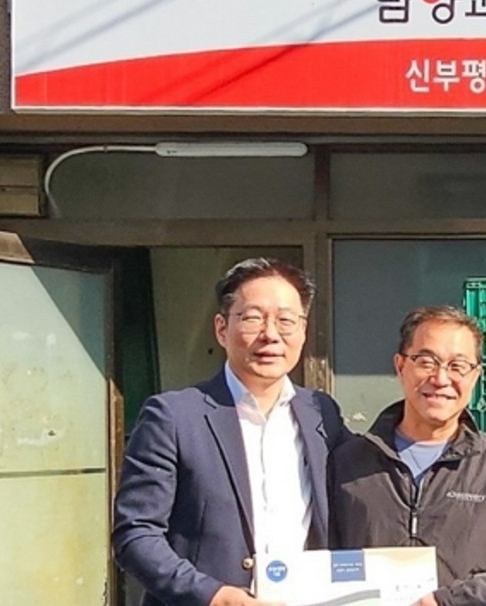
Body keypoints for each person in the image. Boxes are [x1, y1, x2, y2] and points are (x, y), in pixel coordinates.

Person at [113, 258, 348, 606]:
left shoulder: (321, 413)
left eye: (286, 321)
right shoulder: (173, 417)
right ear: (222, 329)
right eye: (253, 318)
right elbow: (136, 534)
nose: (270, 334)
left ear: (304, 332)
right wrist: (213, 595)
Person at [329, 305, 486, 606]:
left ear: (476, 376)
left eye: (458, 366)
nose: (440, 378)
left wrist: (448, 601)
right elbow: (316, 557)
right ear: (400, 366)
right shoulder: (348, 463)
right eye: (426, 362)